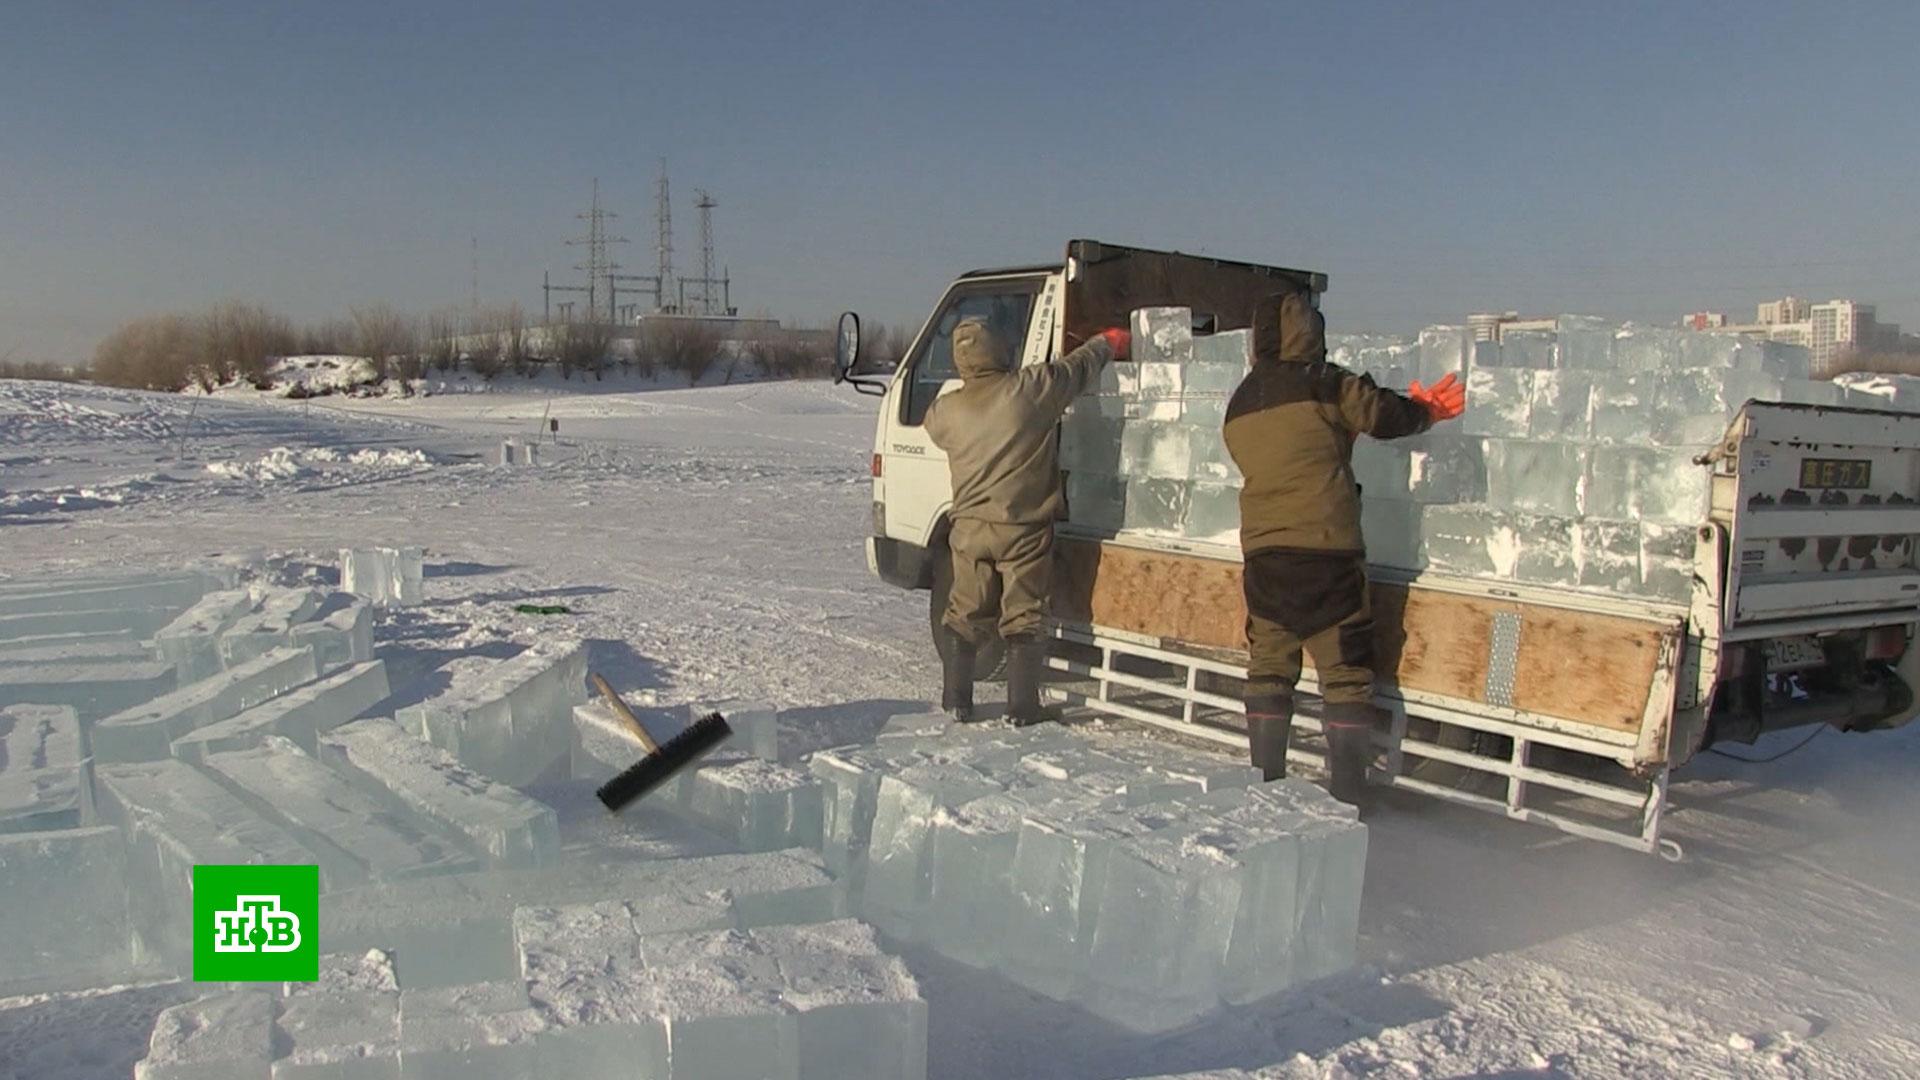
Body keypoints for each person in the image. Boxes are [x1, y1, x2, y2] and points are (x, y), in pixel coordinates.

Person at [1223, 292, 1465, 807]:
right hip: (1327, 550)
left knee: (1269, 664)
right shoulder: (1326, 382)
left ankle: (1264, 783)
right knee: (1346, 672)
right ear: (1311, 332)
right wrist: (1425, 411)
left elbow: (1276, 450)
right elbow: (1381, 415)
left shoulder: (1241, 399)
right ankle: (1349, 795)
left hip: (1264, 553)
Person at [924, 317, 1132, 724]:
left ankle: (956, 700)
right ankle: (1022, 707)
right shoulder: (1029, 390)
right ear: (999, 351)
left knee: (963, 613)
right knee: (1023, 615)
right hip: (1021, 528)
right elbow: (1077, 370)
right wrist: (1106, 342)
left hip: (968, 528)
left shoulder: (945, 411)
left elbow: (934, 424)